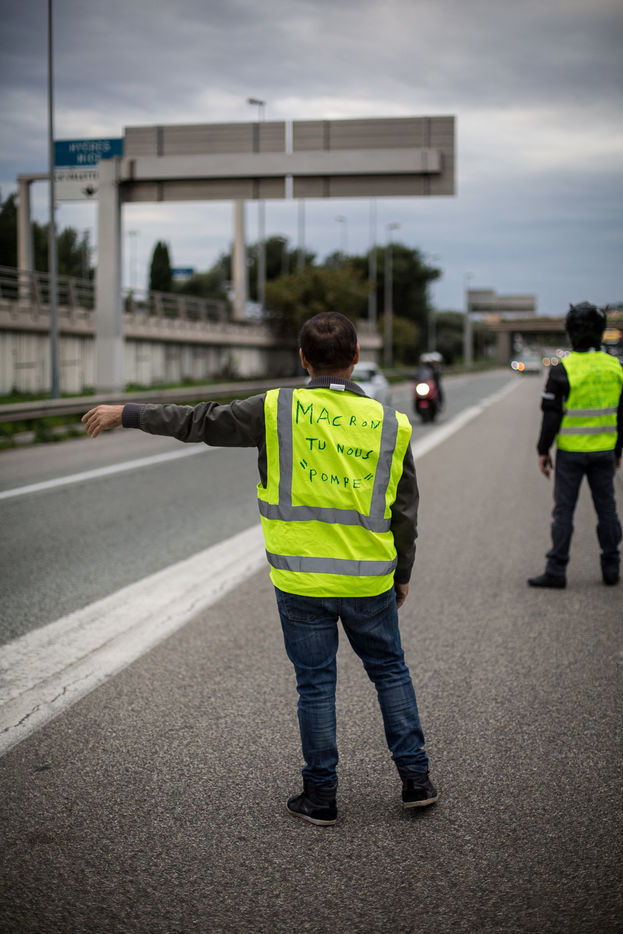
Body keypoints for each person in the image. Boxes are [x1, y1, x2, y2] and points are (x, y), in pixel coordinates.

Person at [82, 312, 438, 825]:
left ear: (303, 359)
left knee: (315, 685)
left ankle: (321, 796)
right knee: (389, 672)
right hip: (368, 581)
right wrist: (402, 573)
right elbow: (405, 512)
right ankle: (416, 780)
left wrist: (128, 412)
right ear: (356, 357)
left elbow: (199, 421)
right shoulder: (391, 423)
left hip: (300, 580)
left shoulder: (276, 408)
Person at [528, 302, 623, 589]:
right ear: (601, 331)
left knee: (564, 512)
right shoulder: (616, 367)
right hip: (604, 452)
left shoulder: (562, 370)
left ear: (571, 333)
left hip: (570, 454)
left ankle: (556, 570)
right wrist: (618, 451)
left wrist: (543, 450)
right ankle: (611, 567)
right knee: (607, 510)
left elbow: (551, 417)